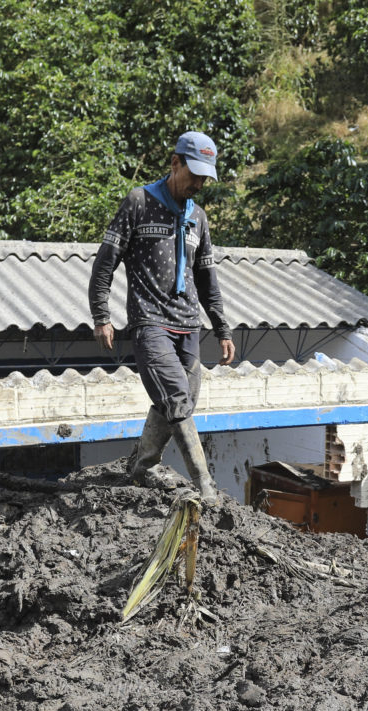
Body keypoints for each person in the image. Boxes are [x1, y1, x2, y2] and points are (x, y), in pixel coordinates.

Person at [88, 131, 238, 502]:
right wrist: (101, 315)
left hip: (189, 326)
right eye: (195, 175)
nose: (200, 184)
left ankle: (143, 466)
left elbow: (207, 279)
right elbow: (104, 264)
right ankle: (206, 486)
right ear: (175, 163)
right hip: (150, 322)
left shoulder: (197, 218)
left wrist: (222, 329)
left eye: (206, 178)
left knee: (178, 402)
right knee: (176, 398)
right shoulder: (138, 202)